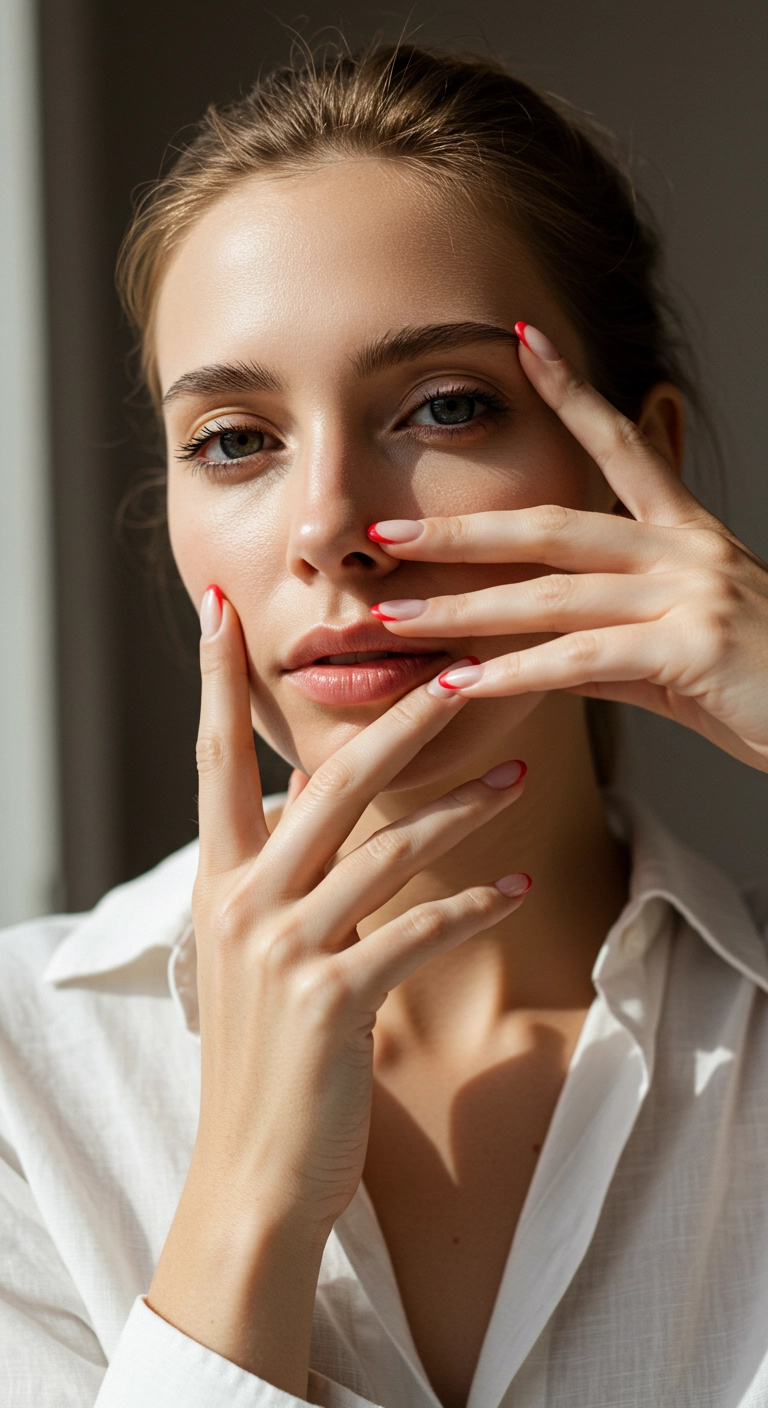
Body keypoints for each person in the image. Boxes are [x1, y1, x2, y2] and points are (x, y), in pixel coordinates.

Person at [2, 42, 768, 1408]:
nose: (327, 532)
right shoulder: (23, 1078)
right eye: (235, 439)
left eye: (446, 407)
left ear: (634, 462)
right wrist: (246, 1199)